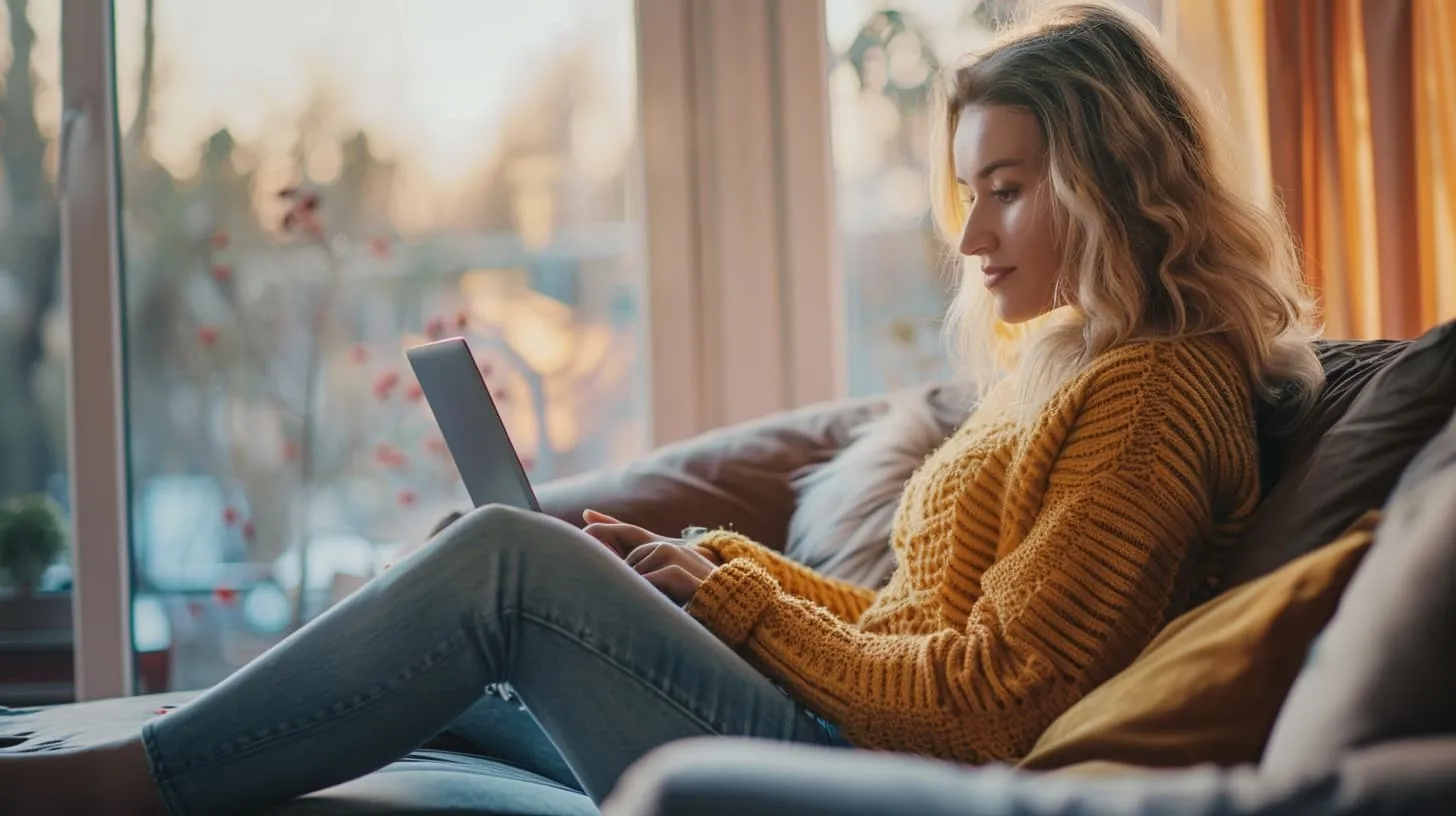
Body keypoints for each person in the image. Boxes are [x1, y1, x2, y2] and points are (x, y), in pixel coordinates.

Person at [0, 2, 1324, 814]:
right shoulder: (1074, 365)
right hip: (859, 732)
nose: (970, 234)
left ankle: (115, 782)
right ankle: (150, 742)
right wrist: (706, 569)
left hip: (878, 777)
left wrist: (734, 603)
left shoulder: (1155, 392)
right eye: (968, 192)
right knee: (433, 645)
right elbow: (916, 629)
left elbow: (986, 705)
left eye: (1009, 190)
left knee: (506, 565)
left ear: (1112, 177)